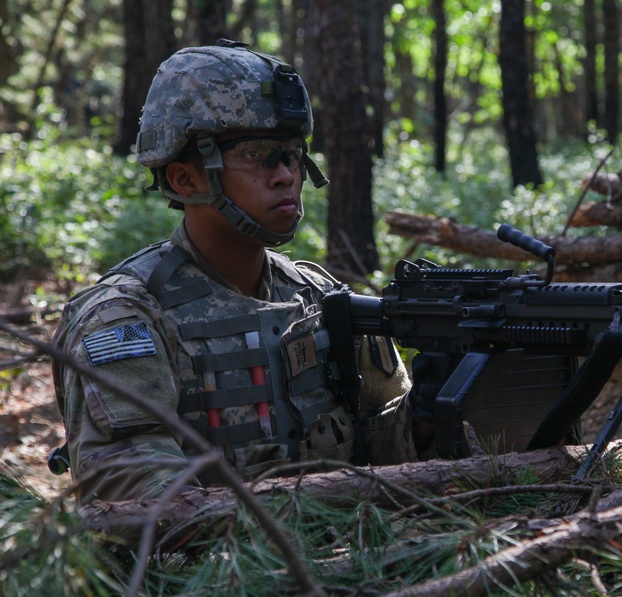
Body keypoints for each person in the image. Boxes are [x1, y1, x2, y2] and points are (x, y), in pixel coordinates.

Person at [51, 40, 418, 503]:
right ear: (185, 178)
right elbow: (140, 500)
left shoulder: (322, 300)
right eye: (256, 154)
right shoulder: (125, 318)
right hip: (212, 553)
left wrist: (436, 403)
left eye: (291, 154)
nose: (285, 175)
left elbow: (398, 461)